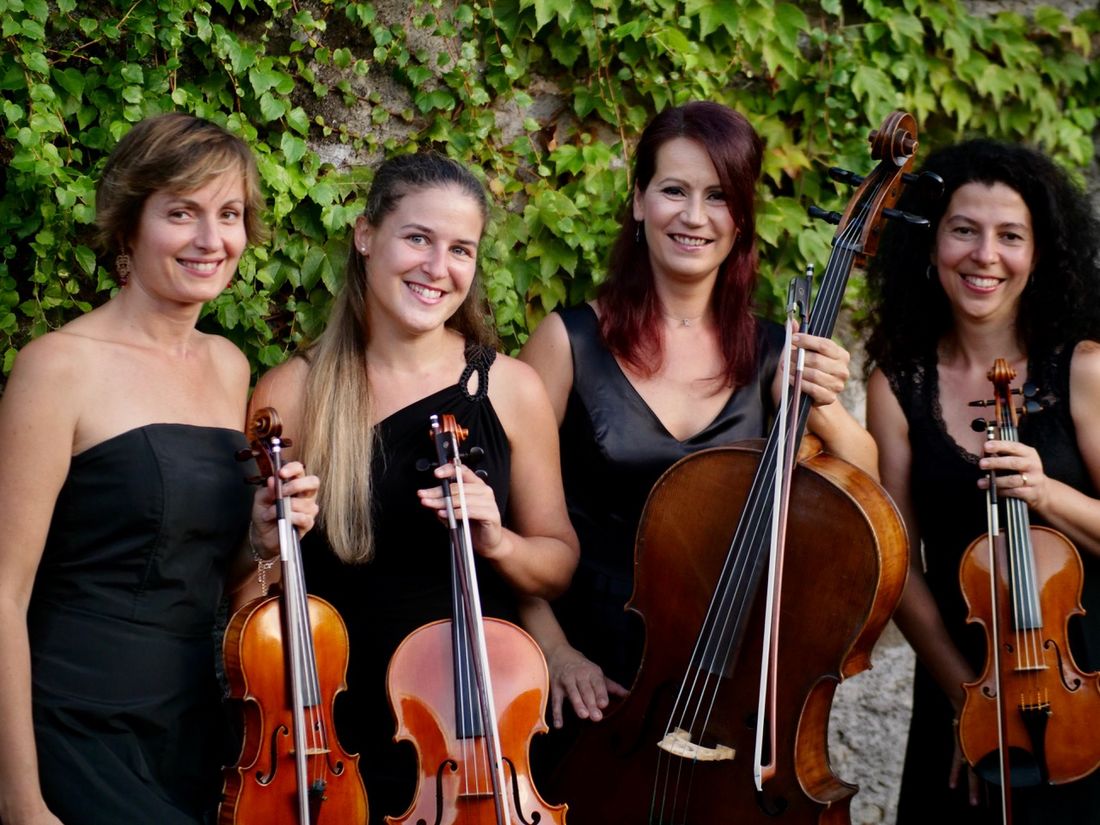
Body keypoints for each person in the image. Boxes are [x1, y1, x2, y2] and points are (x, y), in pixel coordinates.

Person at [516, 100, 878, 735]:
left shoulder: (778, 354)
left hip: (722, 671)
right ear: (638, 201)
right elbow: (502, 514)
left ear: (741, 219)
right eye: (674, 190)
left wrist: (825, 408)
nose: (693, 216)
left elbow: (866, 490)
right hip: (585, 676)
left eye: (718, 196)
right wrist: (553, 649)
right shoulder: (566, 342)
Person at [0, 113, 319, 825]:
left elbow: (218, 573)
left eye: (229, 214)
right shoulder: (57, 367)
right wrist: (20, 799)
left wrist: (264, 536)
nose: (211, 240)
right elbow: (3, 592)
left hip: (194, 731)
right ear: (129, 225)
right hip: (74, 725)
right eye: (182, 213)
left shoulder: (228, 365)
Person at [249, 152, 579, 823]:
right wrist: (262, 542)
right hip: (336, 731)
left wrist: (499, 540)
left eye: (461, 249)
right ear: (366, 235)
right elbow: (252, 600)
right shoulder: (294, 391)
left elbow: (557, 564)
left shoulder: (510, 389)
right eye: (418, 238)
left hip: (472, 730)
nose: (437, 267)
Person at [864, 138, 1100, 822]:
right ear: (932, 243)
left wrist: (1047, 492)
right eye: (964, 230)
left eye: (1010, 236)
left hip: (1085, 682)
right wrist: (963, 696)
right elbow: (899, 564)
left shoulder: (1083, 369)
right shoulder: (897, 384)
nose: (985, 255)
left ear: (1040, 253)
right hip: (969, 681)